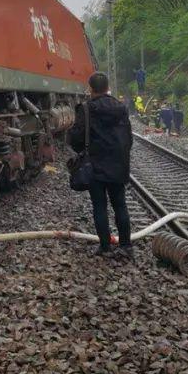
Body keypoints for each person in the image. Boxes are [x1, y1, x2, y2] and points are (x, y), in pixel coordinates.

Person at [69, 72, 134, 261]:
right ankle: (126, 246)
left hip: (95, 165)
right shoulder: (121, 108)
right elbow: (128, 138)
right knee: (120, 205)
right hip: (118, 164)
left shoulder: (86, 109)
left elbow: (76, 139)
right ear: (107, 88)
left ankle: (105, 247)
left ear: (90, 89)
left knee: (99, 206)